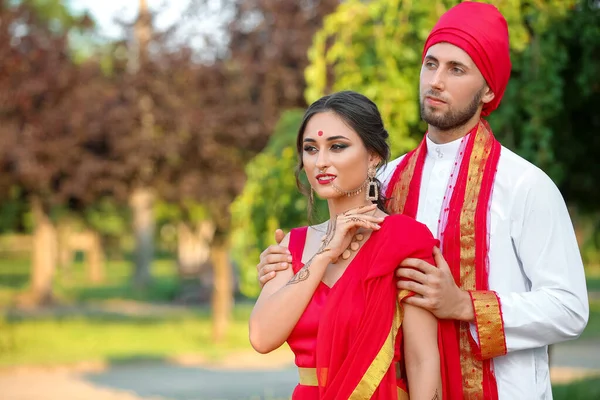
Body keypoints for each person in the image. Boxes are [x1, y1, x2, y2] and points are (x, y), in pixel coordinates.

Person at [256, 2, 589, 399]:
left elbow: (569, 309)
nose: (436, 81)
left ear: (488, 90)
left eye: (456, 69)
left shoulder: (523, 185)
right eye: (430, 64)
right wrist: (283, 266)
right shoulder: (385, 178)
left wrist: (465, 304)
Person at [249, 90, 442, 399]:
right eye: (311, 149)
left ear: (373, 157)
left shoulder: (404, 241)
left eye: (337, 147)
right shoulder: (294, 244)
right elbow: (261, 337)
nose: (321, 161)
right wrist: (325, 254)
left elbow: (422, 360)